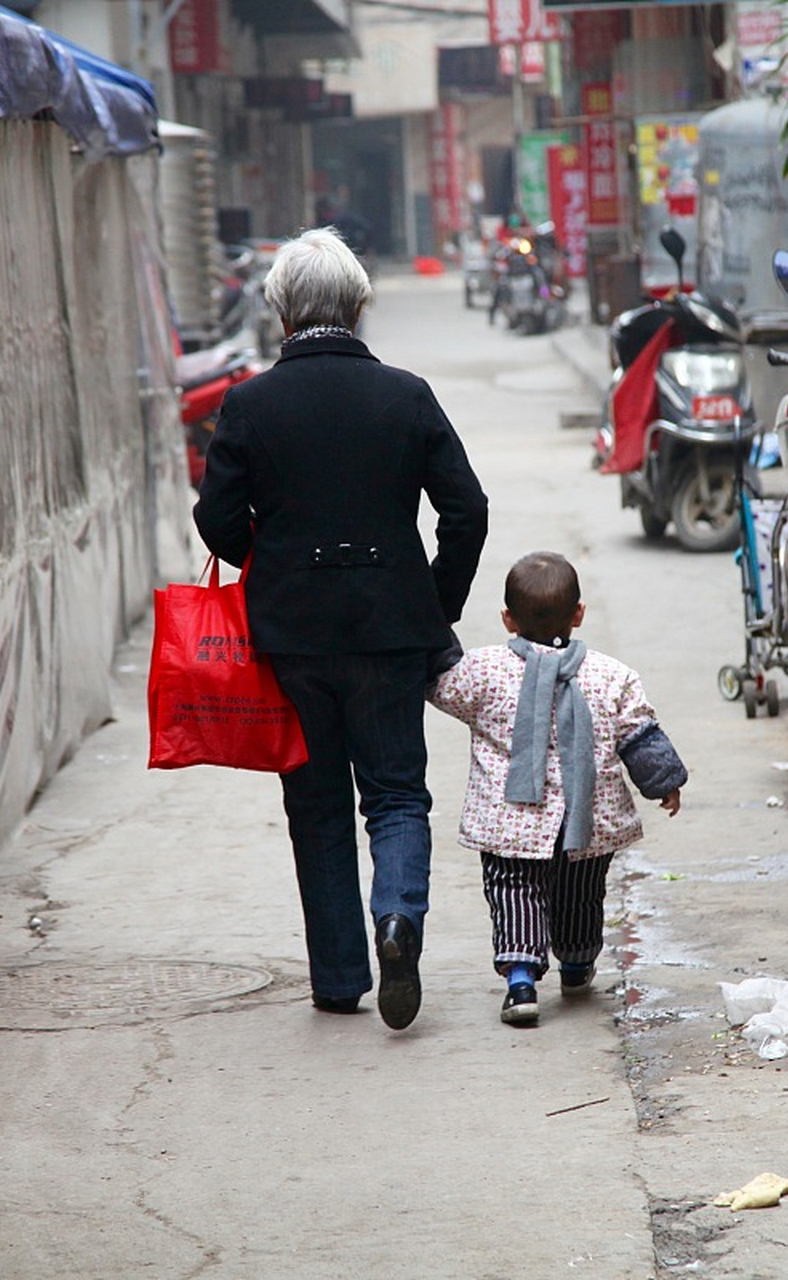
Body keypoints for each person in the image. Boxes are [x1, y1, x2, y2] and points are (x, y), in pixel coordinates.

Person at [193, 226, 489, 1031]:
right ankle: (397, 919)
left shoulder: (250, 403)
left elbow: (216, 517)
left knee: (315, 801)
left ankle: (337, 978)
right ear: (359, 306)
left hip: (291, 634)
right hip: (391, 629)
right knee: (395, 795)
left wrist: (274, 558)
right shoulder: (405, 394)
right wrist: (434, 600)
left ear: (281, 310)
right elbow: (467, 510)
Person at [429, 552, 687, 1026]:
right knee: (581, 893)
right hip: (589, 818)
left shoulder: (483, 671)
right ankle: (575, 963)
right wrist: (664, 783)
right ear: (579, 613)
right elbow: (639, 734)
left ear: (508, 619)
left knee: (513, 891)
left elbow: (443, 683)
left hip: (510, 820)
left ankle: (522, 981)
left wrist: (432, 623)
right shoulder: (613, 675)